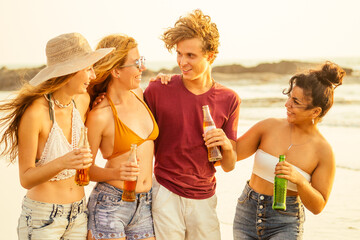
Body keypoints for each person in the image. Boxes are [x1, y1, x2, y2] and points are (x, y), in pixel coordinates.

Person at [0, 33, 114, 239]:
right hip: (43, 219)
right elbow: (25, 178)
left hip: (79, 214)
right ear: (69, 72)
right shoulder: (35, 113)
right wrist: (63, 162)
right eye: (88, 68)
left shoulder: (82, 101)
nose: (93, 75)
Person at [217, 61, 344, 239]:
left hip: (285, 222)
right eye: (289, 97)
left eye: (296, 102)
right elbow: (230, 156)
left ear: (315, 111)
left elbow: (318, 206)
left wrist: (300, 181)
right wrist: (222, 139)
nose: (287, 104)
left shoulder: (323, 152)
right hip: (247, 213)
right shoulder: (268, 126)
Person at [143, 9, 241, 240]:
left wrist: (226, 145)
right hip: (165, 192)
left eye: (190, 55)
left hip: (205, 197)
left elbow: (228, 165)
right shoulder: (158, 90)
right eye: (179, 54)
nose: (182, 62)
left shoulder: (230, 99)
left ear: (211, 56)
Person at [85, 34, 157, 240]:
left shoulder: (140, 94)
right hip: (110, 205)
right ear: (116, 70)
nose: (142, 68)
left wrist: (165, 78)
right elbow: (84, 171)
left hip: (144, 204)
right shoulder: (100, 115)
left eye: (141, 60)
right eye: (136, 63)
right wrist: (117, 172)